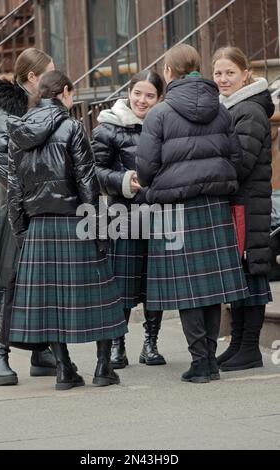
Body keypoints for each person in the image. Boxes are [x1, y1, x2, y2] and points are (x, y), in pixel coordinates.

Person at [6, 70, 127, 390]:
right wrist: (99, 231)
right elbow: (88, 183)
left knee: (49, 302)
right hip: (75, 221)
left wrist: (22, 233)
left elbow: (14, 191)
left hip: (39, 227)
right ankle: (103, 369)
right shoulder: (72, 127)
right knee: (101, 295)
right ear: (65, 92)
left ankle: (64, 370)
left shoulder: (18, 132)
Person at [136, 43, 249, 383]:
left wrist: (157, 185)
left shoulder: (160, 113)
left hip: (175, 207)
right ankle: (210, 361)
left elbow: (145, 169)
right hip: (213, 206)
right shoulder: (221, 108)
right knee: (212, 287)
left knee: (188, 290)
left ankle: (200, 362)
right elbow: (236, 158)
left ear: (169, 72)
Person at [0, 48, 56, 386]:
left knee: (39, 282)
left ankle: (40, 352)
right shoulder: (10, 110)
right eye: (49, 73)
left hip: (38, 207)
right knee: (15, 284)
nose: (53, 79)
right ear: (32, 77)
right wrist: (26, 194)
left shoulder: (40, 108)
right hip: (20, 212)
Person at [91, 70, 166, 369]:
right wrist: (123, 180)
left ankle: (151, 344)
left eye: (150, 95)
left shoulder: (165, 125)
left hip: (159, 214)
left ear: (159, 98)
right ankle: (117, 346)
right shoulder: (109, 126)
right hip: (122, 214)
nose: (142, 100)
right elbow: (94, 171)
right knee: (121, 283)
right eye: (138, 93)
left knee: (155, 283)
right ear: (129, 92)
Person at [213, 46, 274, 371]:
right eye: (219, 73)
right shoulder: (232, 108)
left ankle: (249, 347)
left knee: (251, 274)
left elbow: (242, 163)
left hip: (248, 207)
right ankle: (238, 344)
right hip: (239, 205)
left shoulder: (248, 111)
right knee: (241, 276)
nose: (223, 79)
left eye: (230, 73)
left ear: (245, 74)